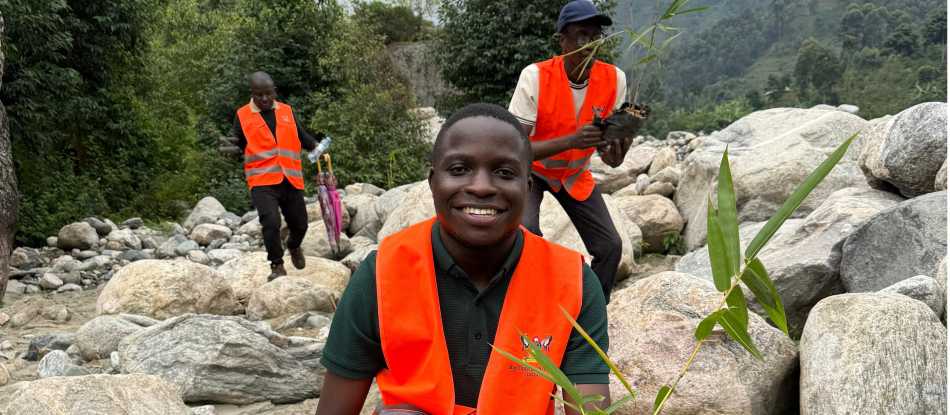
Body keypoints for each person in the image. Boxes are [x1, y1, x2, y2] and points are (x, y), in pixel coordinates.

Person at [315, 104, 610, 414]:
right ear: (432, 182)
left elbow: (591, 407)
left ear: (527, 187)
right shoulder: (380, 276)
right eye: (459, 169)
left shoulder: (572, 283)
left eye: (504, 172)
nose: (481, 186)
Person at [509, 0, 639, 303]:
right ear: (562, 41)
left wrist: (617, 151)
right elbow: (513, 149)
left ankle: (591, 309)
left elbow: (611, 157)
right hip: (533, 172)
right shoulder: (535, 76)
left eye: (595, 37)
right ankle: (531, 305)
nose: (589, 45)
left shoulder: (614, 78)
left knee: (610, 247)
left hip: (574, 174)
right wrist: (571, 141)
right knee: (526, 233)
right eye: (581, 35)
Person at [231, 71, 322, 280]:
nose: (264, 99)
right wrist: (232, 150)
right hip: (262, 180)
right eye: (259, 95)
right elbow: (237, 143)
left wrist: (315, 146)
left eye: (268, 94)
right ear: (252, 94)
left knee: (301, 224)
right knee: (270, 221)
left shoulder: (286, 111)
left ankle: (293, 245)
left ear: (274, 92)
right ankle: (277, 265)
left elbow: (301, 135)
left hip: (289, 178)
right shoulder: (243, 115)